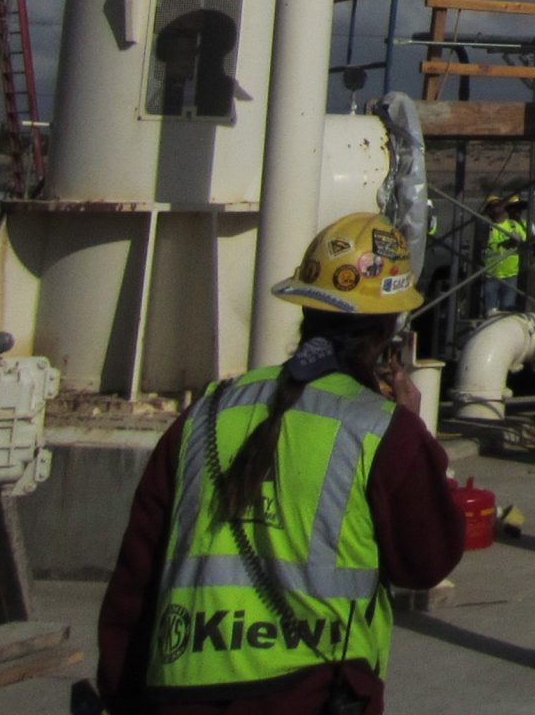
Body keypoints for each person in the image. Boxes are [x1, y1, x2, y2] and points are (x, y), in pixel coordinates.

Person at [91, 214, 464, 713]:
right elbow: (427, 560)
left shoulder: (206, 413)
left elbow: (135, 582)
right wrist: (417, 435)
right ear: (388, 327)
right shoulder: (381, 431)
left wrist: (120, 693)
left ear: (304, 310)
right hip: (312, 695)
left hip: (179, 690)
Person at [483, 197, 533, 313]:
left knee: (507, 309)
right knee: (491, 311)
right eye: (494, 205)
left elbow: (526, 241)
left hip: (510, 274)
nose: (498, 207)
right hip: (492, 274)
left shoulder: (513, 225)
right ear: (489, 210)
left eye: (499, 204)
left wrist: (519, 241)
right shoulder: (487, 227)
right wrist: (504, 244)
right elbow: (484, 247)